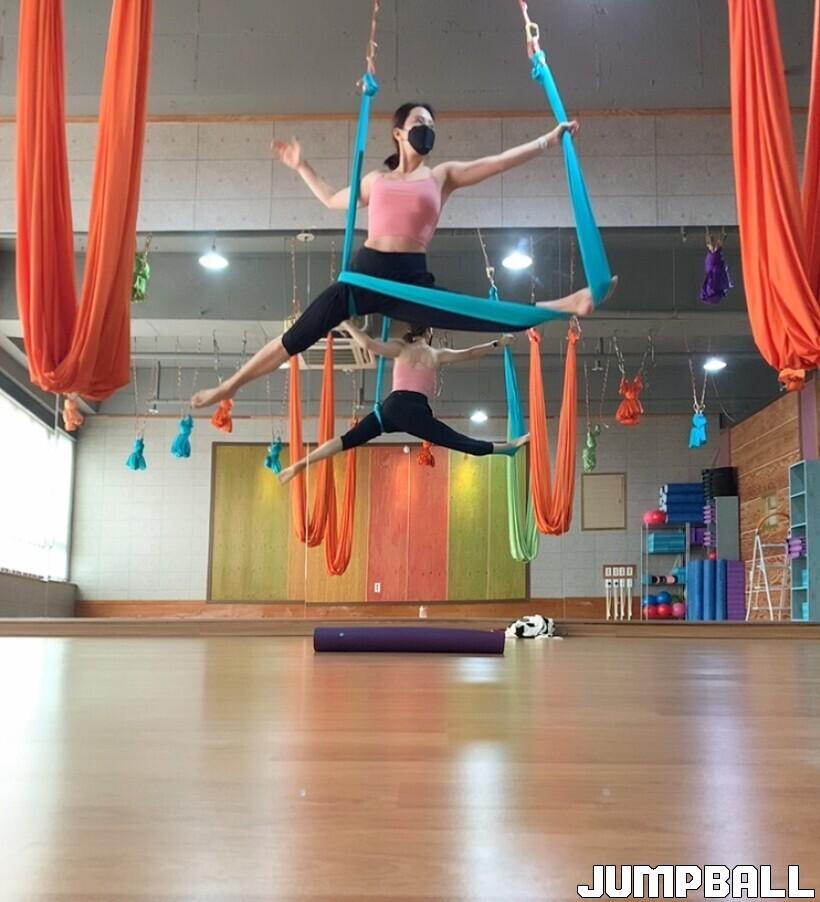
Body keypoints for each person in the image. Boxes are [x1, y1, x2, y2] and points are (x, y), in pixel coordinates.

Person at [192, 102, 617, 409]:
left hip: (411, 279)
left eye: (430, 125)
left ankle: (570, 303)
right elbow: (330, 199)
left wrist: (548, 139)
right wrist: (302, 166)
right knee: (299, 335)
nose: (426, 130)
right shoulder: (375, 180)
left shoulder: (442, 176)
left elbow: (498, 162)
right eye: (418, 123)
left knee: (479, 315)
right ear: (398, 133)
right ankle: (230, 386)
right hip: (364, 274)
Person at [277, 321, 527, 485]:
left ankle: (299, 465)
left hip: (391, 409)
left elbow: (367, 344)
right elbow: (470, 353)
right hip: (416, 412)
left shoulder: (400, 348)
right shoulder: (436, 354)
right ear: (429, 333)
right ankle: (507, 448)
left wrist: (346, 324)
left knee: (346, 440)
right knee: (458, 441)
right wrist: (497, 343)